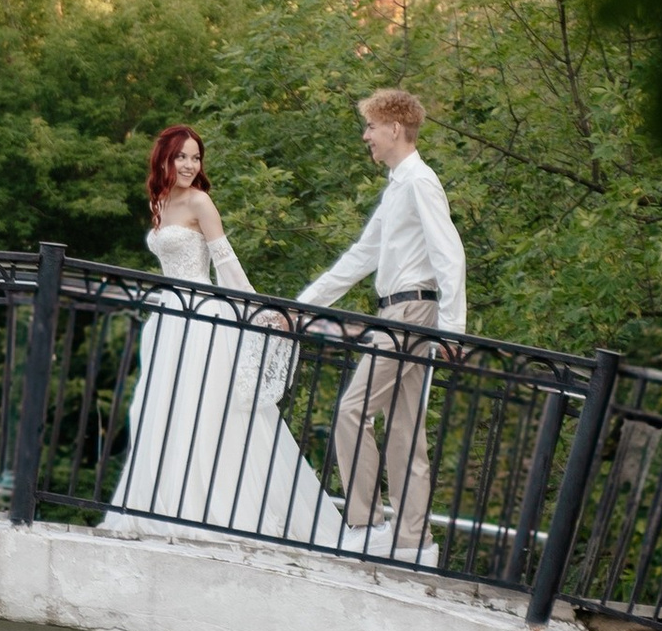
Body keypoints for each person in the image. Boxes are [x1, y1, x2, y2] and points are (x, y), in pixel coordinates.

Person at [101, 127, 324, 543]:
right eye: (181, 157)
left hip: (203, 316)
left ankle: (211, 511)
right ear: (164, 159)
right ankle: (158, 506)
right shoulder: (159, 201)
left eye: (195, 158)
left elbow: (226, 263)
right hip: (169, 318)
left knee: (205, 409)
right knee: (162, 408)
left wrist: (261, 309)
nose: (189, 165)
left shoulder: (201, 202)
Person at [297, 88, 466, 565]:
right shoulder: (398, 186)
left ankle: (365, 523)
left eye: (371, 126)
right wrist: (302, 306)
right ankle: (416, 543)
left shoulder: (419, 182)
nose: (365, 135)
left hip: (411, 314)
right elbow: (359, 259)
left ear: (395, 129)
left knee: (351, 411)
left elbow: (450, 257)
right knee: (405, 432)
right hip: (401, 313)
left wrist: (454, 332)